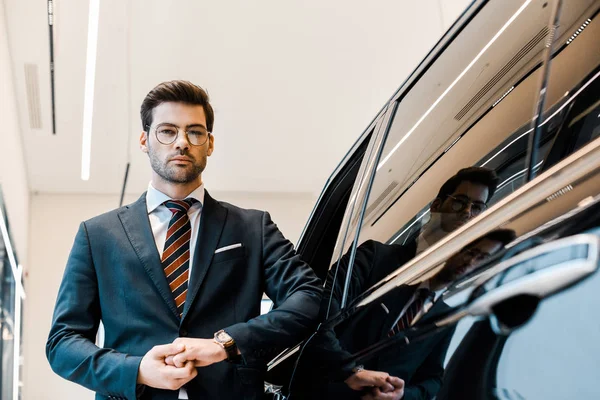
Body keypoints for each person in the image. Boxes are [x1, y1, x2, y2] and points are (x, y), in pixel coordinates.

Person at [46, 80, 323, 400]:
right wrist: (134, 370)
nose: (181, 142)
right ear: (144, 140)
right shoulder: (98, 235)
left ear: (210, 143)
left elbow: (308, 299)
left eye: (195, 131)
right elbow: (63, 342)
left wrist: (226, 344)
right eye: (167, 131)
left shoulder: (251, 227)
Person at [302, 167, 504, 400]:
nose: (468, 213)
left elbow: (433, 380)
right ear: (436, 206)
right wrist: (350, 371)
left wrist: (402, 396)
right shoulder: (372, 257)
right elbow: (317, 318)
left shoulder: (443, 313)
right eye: (460, 202)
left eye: (477, 208)